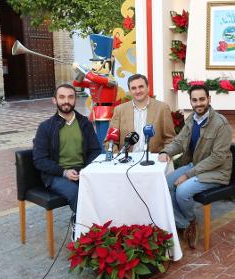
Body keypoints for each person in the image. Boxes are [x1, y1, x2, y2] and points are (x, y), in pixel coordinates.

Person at [158, 84, 232, 249]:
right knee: (163, 185)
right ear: (190, 101)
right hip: (197, 165)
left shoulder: (221, 124)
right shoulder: (192, 119)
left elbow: (218, 157)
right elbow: (178, 141)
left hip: (216, 171)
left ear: (209, 99)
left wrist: (188, 174)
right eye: (195, 100)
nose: (199, 103)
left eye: (202, 99)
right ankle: (185, 223)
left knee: (182, 191)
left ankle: (189, 221)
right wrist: (166, 152)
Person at [33, 84, 102, 214]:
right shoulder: (46, 127)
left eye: (70, 97)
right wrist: (64, 172)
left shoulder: (84, 123)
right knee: (76, 193)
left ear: (75, 99)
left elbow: (95, 150)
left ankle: (99, 227)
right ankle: (84, 230)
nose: (66, 101)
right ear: (55, 100)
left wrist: (85, 170)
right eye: (62, 97)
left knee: (104, 189)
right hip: (57, 175)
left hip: (83, 171)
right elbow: (40, 160)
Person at [109, 74, 176, 154]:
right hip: (127, 160)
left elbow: (170, 138)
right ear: (130, 91)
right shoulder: (119, 110)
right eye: (133, 88)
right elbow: (110, 141)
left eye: (141, 87)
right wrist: (117, 156)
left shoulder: (162, 108)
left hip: (154, 160)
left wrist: (165, 154)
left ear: (148, 88)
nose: (138, 91)